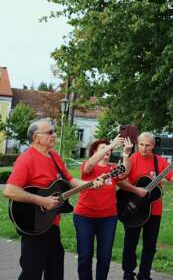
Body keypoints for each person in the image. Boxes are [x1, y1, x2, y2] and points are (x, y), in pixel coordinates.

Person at [3, 120, 104, 280]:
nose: (55, 135)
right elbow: (10, 190)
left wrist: (91, 184)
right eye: (50, 132)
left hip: (51, 223)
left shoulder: (54, 156)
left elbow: (70, 180)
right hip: (33, 223)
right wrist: (42, 201)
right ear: (36, 137)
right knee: (32, 272)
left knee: (55, 270)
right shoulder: (27, 159)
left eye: (54, 131)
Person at [118, 131, 173, 280]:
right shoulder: (132, 158)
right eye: (141, 145)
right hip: (133, 207)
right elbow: (120, 179)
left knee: (150, 245)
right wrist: (136, 190)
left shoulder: (159, 161)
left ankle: (144, 275)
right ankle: (128, 273)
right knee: (130, 243)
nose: (144, 148)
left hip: (154, 210)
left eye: (148, 145)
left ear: (153, 146)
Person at [74, 136, 132, 280]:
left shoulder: (112, 169)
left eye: (109, 150)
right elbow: (88, 165)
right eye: (103, 148)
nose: (107, 151)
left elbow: (125, 172)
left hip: (108, 218)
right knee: (85, 256)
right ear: (94, 151)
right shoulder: (89, 166)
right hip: (85, 217)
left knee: (105, 257)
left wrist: (126, 153)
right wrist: (110, 145)